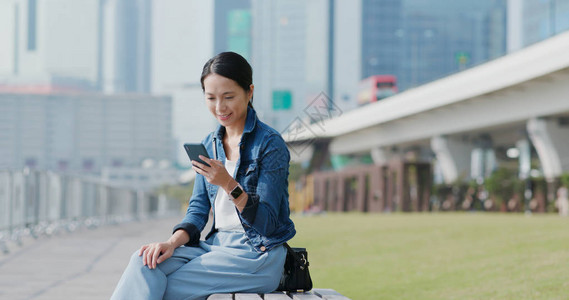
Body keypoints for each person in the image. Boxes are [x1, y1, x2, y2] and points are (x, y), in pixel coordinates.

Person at [110, 52, 296, 300]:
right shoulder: (209, 145)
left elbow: (268, 223)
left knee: (161, 288)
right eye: (211, 98)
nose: (220, 107)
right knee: (144, 262)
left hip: (255, 253)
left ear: (249, 92)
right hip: (216, 245)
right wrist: (171, 243)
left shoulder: (270, 144)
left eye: (228, 97)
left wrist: (228, 184)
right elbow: (198, 209)